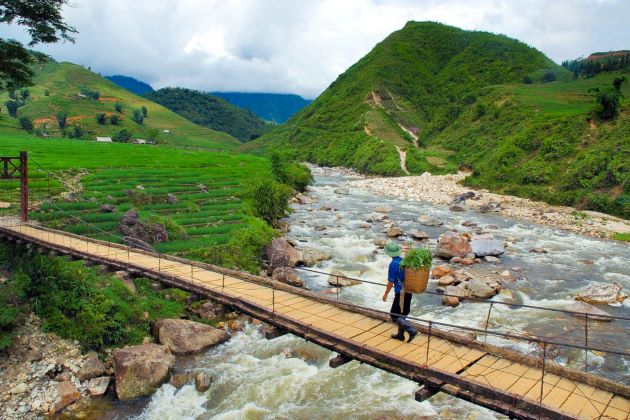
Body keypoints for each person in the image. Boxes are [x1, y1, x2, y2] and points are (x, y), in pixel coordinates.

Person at [382, 241, 417, 343]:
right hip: (408, 291)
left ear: (389, 253)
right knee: (402, 315)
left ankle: (411, 330)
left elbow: (390, 281)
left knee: (393, 315)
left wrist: (385, 294)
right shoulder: (403, 261)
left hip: (400, 293)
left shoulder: (393, 264)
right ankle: (400, 335)